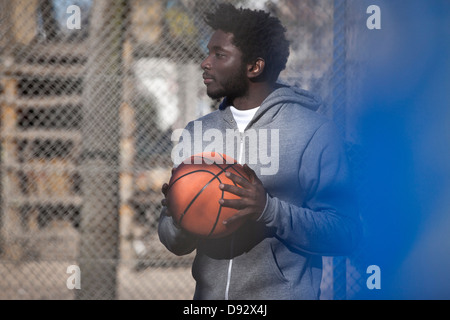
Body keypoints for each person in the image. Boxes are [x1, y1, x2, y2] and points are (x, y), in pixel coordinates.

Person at [158, 3, 361, 300]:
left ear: (255, 66)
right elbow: (174, 243)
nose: (205, 62)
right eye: (208, 52)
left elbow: (346, 233)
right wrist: (180, 216)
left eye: (219, 55)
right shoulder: (196, 133)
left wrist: (269, 209)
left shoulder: (313, 131)